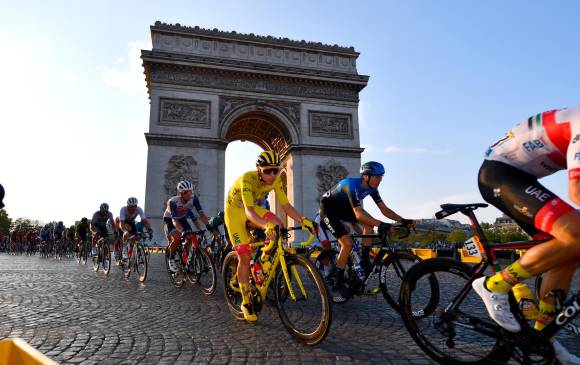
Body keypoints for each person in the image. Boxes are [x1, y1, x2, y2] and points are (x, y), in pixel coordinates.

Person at [474, 106, 580, 364]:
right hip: (499, 173)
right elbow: (576, 191)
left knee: (569, 252)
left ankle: (544, 338)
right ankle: (494, 285)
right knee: (576, 234)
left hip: (522, 177)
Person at [224, 150, 315, 322]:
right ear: (259, 169)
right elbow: (249, 212)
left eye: (276, 170)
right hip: (236, 212)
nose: (272, 175)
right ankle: (246, 302)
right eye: (267, 171)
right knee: (244, 255)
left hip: (251, 209)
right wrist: (265, 225)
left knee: (279, 224)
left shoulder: (276, 180)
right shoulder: (247, 179)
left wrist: (303, 220)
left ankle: (264, 258)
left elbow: (286, 206)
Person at [319, 161, 415, 301]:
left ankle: (364, 259)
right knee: (347, 243)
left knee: (369, 224)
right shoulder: (350, 185)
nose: (379, 180)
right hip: (328, 209)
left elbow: (384, 209)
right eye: (377, 177)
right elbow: (358, 214)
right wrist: (382, 225)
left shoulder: (372, 189)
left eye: (381, 177)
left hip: (344, 208)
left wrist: (403, 220)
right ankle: (338, 281)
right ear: (365, 176)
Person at [163, 181, 213, 273]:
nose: (189, 194)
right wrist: (182, 231)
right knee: (177, 238)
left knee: (190, 237)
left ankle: (187, 261)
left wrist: (208, 226)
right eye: (186, 192)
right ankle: (171, 258)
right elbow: (174, 221)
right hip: (170, 219)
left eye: (191, 191)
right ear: (181, 193)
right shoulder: (173, 202)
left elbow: (201, 214)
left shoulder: (194, 199)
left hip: (182, 218)